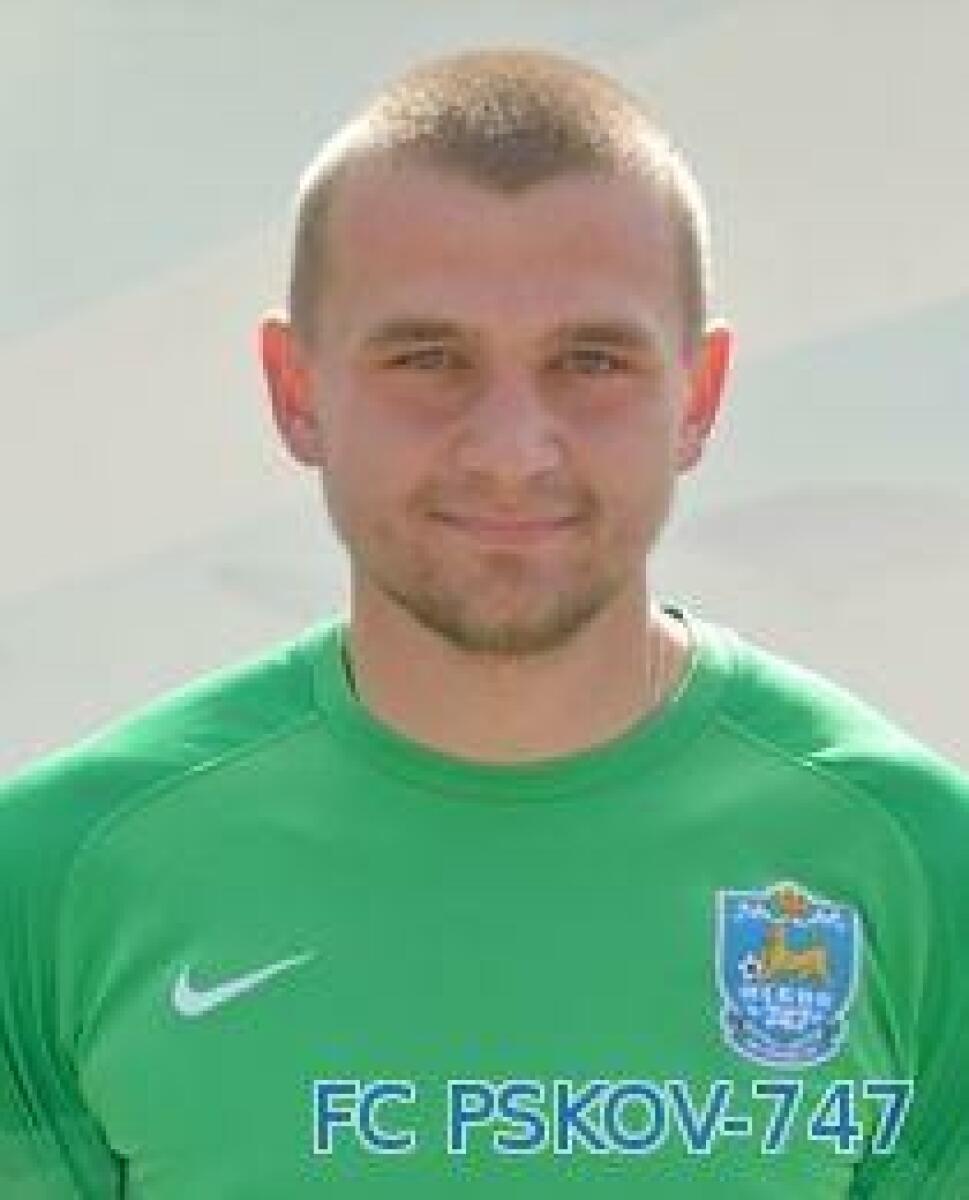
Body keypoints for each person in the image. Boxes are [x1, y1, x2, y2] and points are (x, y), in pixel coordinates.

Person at [0, 47, 966, 1199]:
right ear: (297, 389)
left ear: (697, 396)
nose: (512, 452)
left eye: (591, 360)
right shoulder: (52, 881)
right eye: (428, 358)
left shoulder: (924, 870)